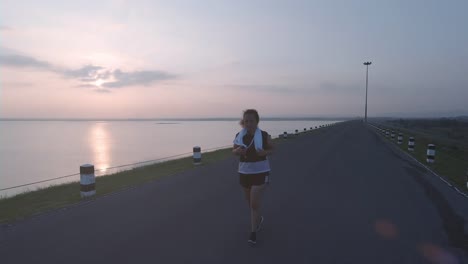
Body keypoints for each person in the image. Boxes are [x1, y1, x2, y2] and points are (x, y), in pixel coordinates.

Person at [233, 109, 274, 245]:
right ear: (243, 122)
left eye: (251, 121)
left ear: (257, 121)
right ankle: (258, 218)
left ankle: (253, 232)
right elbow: (233, 151)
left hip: (261, 172)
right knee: (250, 203)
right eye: (246, 121)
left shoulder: (264, 135)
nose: (249, 124)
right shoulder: (239, 136)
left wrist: (264, 152)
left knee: (254, 202)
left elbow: (273, 149)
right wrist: (238, 151)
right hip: (245, 172)